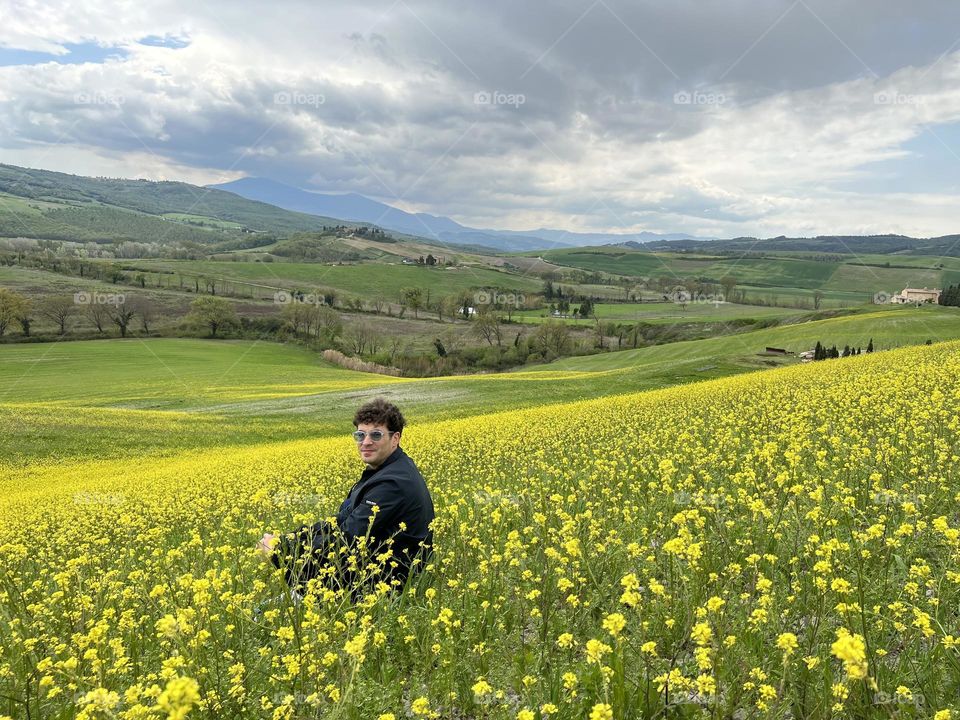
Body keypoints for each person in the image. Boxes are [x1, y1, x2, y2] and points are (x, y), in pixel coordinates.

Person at [257, 398, 435, 597]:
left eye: (376, 435)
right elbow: (341, 521)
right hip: (369, 572)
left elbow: (347, 541)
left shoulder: (392, 484)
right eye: (360, 435)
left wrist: (280, 552)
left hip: (382, 586)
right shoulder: (389, 470)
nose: (366, 442)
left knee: (273, 609)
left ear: (395, 439)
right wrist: (290, 540)